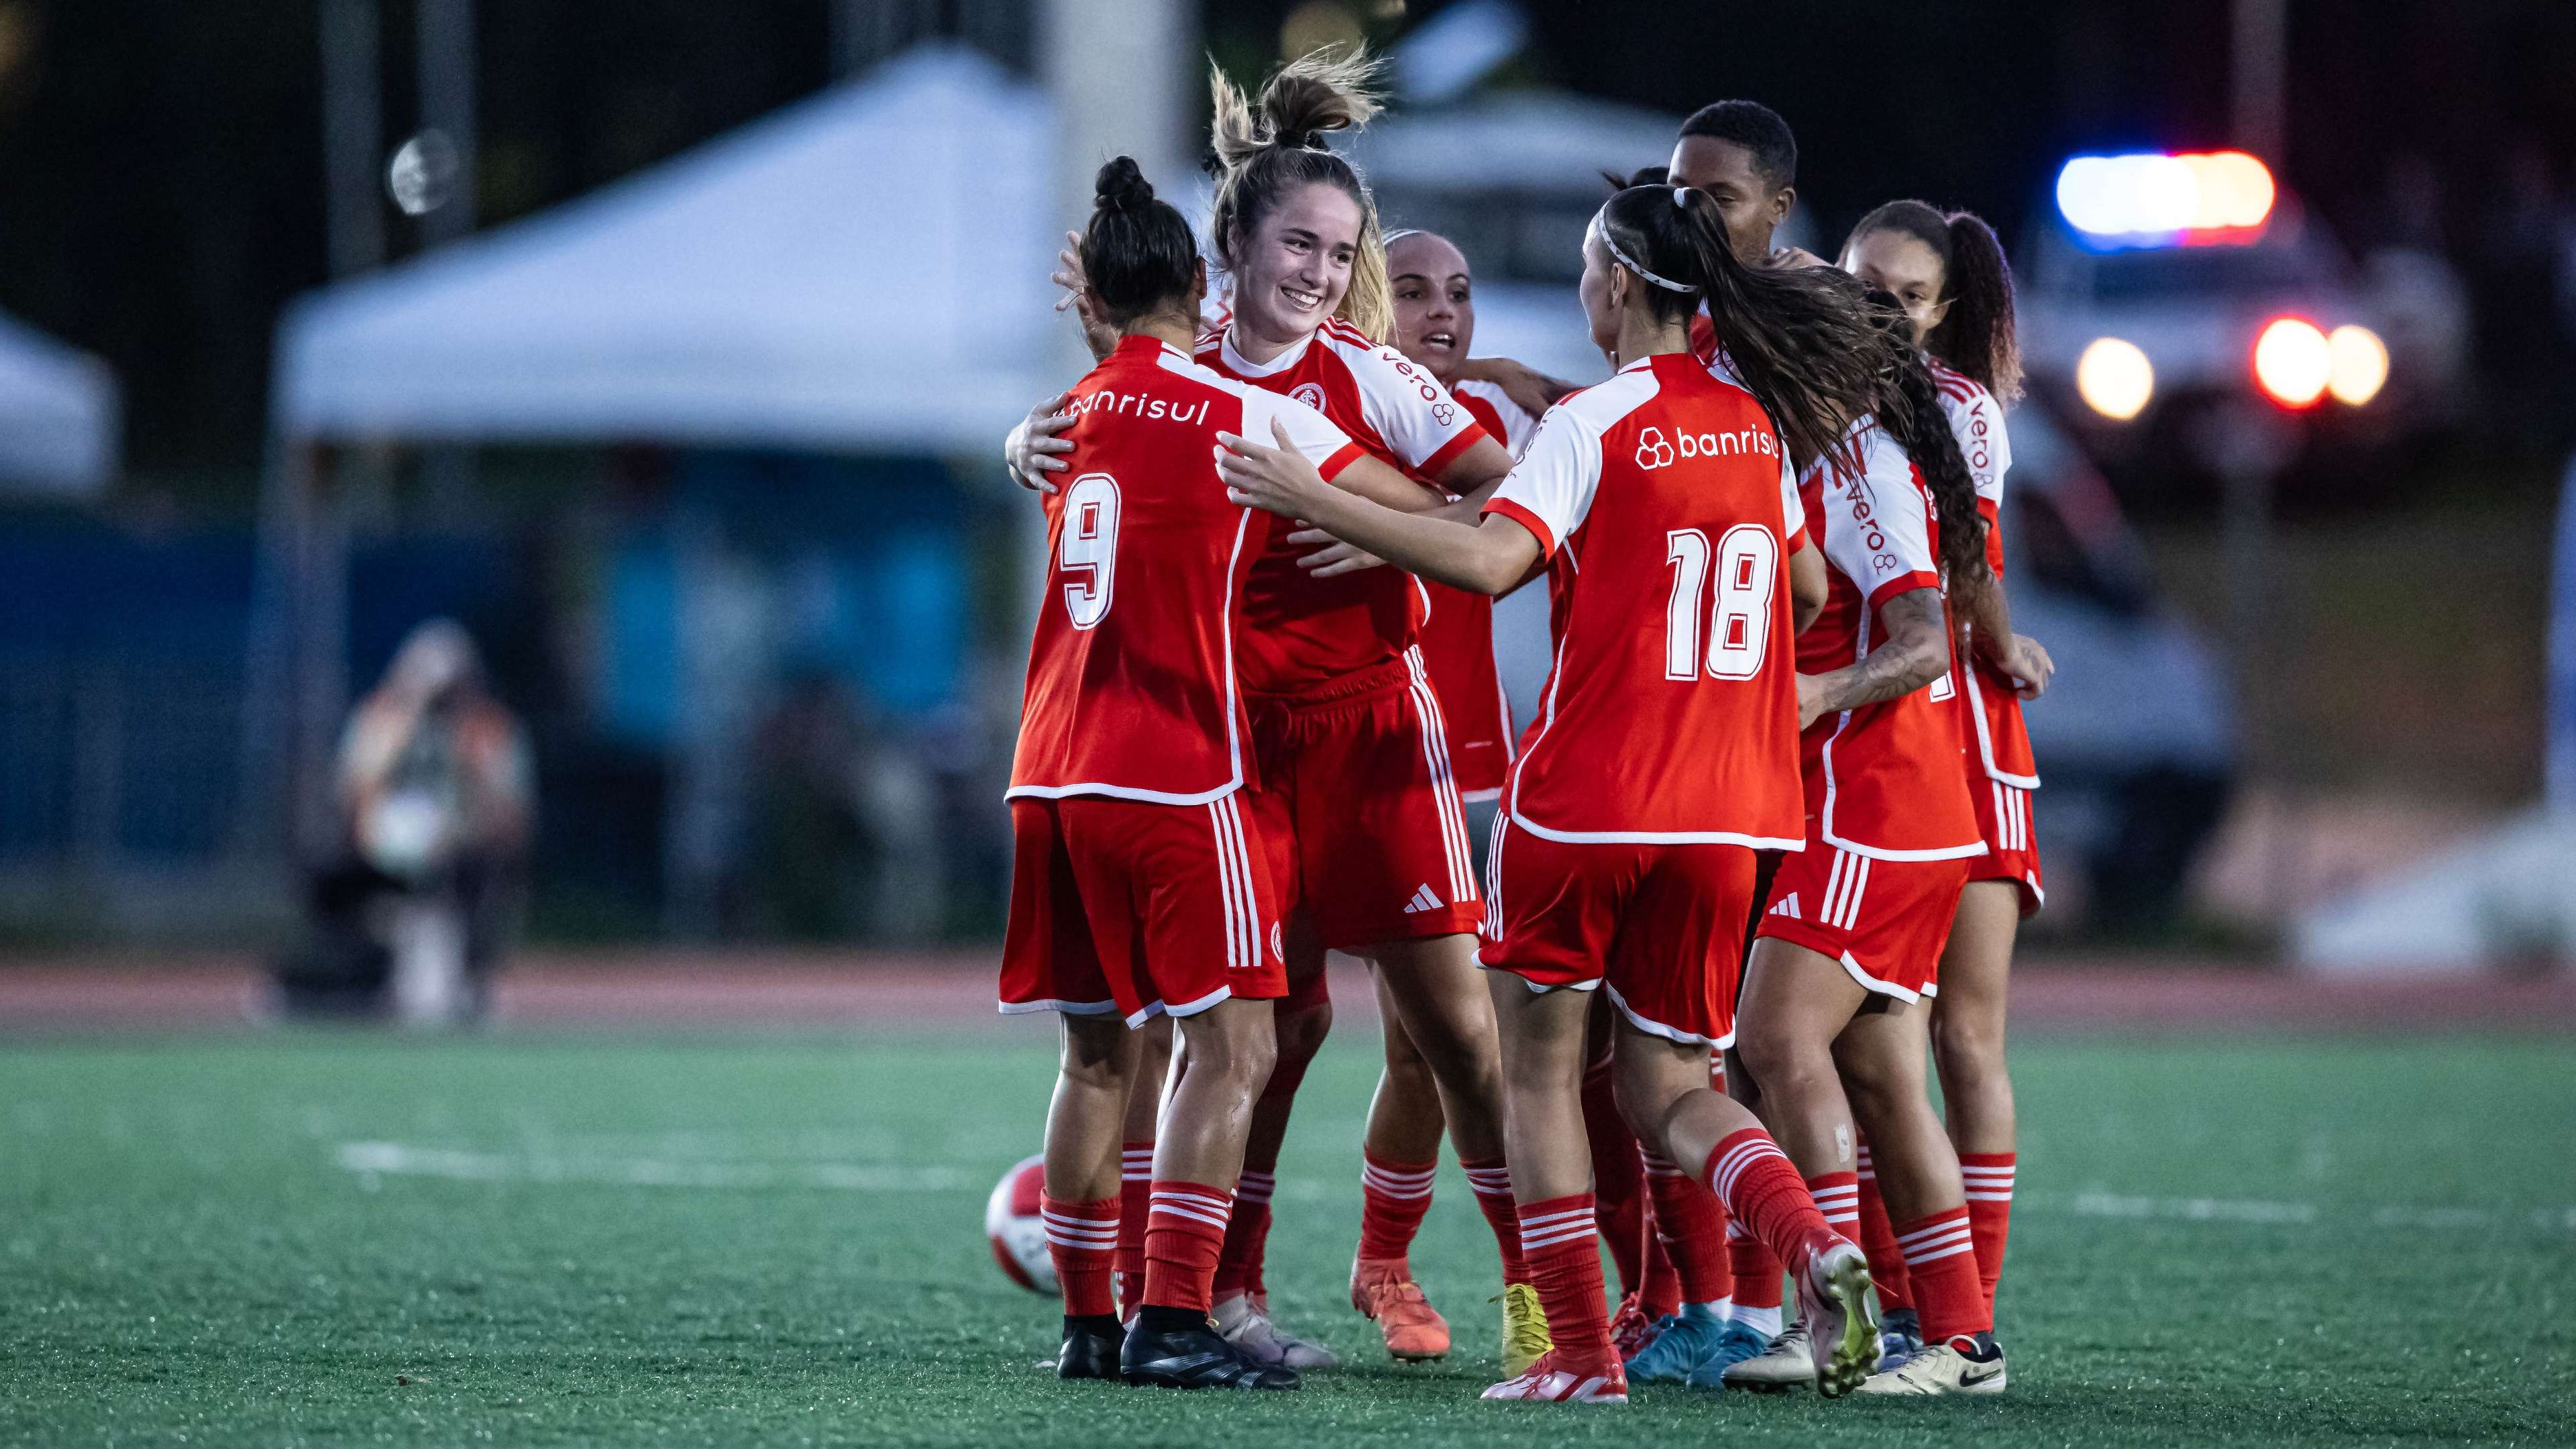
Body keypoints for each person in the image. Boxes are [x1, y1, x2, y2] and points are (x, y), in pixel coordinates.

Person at [1218, 182, 1901, 1405]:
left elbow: (1490, 562)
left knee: (1538, 1078)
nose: (1582, 292)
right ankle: (1820, 1249)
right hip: (1728, 814)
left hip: (1589, 801)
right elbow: (1801, 592)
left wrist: (1326, 504)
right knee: (1669, 1088)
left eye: (1590, 270)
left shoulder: (1597, 421)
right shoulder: (1755, 425)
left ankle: (1580, 1359)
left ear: (1623, 285)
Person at [1014, 49, 1542, 1375]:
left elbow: (1509, 500)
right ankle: (1213, 1300)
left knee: (1460, 1034)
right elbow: (1092, 434)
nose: (1317, 271)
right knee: (1270, 1030)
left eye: (1337, 249)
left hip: (1370, 732)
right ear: (1232, 248)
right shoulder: (1191, 378)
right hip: (1231, 746)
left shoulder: (1368, 381)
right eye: (1297, 243)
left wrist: (1367, 533)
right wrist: (1016, 444)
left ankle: (1535, 1302)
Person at [1719, 286, 2023, 1396]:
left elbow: (1923, 640)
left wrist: (1816, 693)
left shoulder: (1859, 472)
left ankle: (1830, 1318)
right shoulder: (1829, 458)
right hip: (1877, 810)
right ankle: (1959, 1337)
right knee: (1888, 1078)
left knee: (1772, 1039)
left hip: (1873, 808)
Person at [1836, 200, 2053, 1366]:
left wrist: (2003, 643)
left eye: (1908, 296)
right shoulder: (1813, 398)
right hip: (1874, 744)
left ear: (1942, 312)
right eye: (1864, 283)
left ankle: (1966, 1312)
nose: (1882, 310)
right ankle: (1905, 1303)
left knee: (1959, 1035)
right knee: (1869, 1036)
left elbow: (1967, 561)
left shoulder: (1958, 411)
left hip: (1961, 736)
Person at [274, 619, 531, 1024]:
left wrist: (467, 769)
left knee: (472, 880)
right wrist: (406, 724)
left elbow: (512, 818)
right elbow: (354, 796)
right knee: (327, 871)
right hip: (382, 851)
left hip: (460, 853)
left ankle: (456, 979)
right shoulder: (380, 719)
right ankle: (339, 976)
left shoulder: (488, 729)